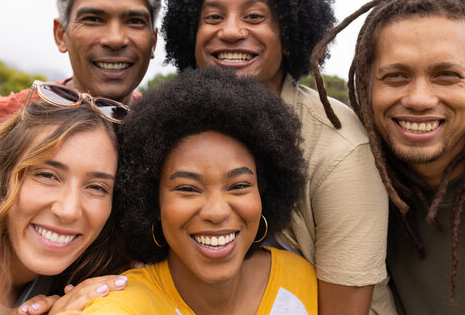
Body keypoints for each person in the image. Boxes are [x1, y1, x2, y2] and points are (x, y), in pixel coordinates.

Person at [161, 0, 393, 313]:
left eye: (255, 16)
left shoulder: (339, 149)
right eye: (213, 17)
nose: (231, 31)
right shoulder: (177, 124)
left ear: (288, 38)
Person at [61, 66, 315, 314]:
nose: (216, 212)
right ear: (152, 202)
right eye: (188, 189)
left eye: (238, 186)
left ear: (264, 193)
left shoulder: (302, 278)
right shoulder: (123, 304)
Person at [310, 0, 465, 314]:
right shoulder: (343, 185)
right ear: (365, 83)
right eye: (396, 76)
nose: (419, 99)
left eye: (446, 76)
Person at [0, 86, 131, 315]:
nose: (68, 210)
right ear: (2, 175)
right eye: (47, 176)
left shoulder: (95, 287)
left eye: (96, 187)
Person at [0, 0, 161, 142]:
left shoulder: (166, 133)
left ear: (153, 42)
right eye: (93, 19)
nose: (115, 39)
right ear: (61, 35)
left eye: (135, 21)